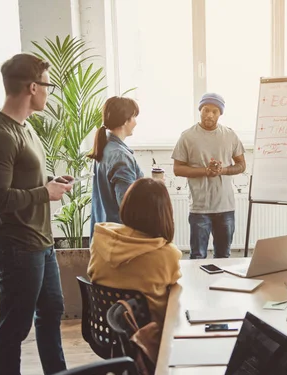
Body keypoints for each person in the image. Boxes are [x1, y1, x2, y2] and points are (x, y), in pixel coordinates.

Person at [0, 53, 73, 375]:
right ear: (33, 87)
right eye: (48, 85)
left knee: (51, 314)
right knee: (14, 328)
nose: (49, 92)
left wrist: (49, 182)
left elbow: (25, 179)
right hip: (17, 247)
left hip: (40, 243)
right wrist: (45, 193)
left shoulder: (26, 127)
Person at [88, 177, 182, 330]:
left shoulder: (100, 239)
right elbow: (175, 290)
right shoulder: (167, 254)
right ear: (163, 212)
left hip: (106, 328)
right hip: (150, 336)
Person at [172, 93, 246, 259]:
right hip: (200, 207)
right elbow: (177, 169)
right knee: (197, 257)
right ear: (200, 110)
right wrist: (206, 171)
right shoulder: (187, 136)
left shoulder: (230, 135)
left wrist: (223, 171)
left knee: (223, 256)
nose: (209, 115)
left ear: (220, 113)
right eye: (206, 110)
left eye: (214, 111)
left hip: (225, 206)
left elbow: (241, 165)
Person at [88, 96, 143, 237]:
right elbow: (127, 207)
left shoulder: (105, 146)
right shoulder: (120, 156)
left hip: (104, 234)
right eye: (134, 117)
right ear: (125, 121)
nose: (136, 122)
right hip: (119, 238)